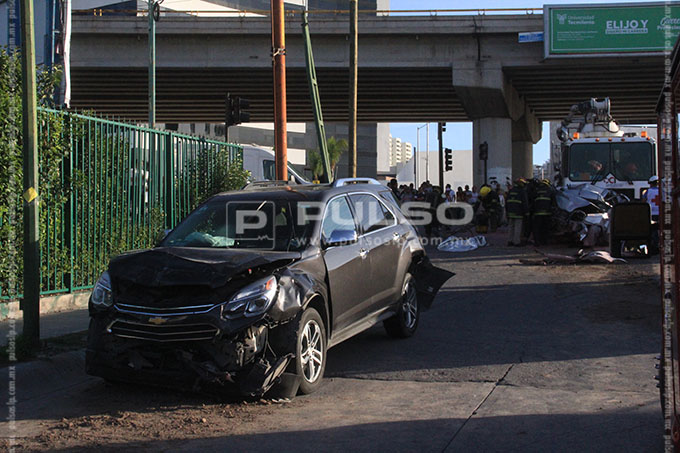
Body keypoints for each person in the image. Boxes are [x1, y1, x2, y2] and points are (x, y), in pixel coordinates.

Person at [532, 179, 555, 247]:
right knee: (545, 228)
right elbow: (553, 201)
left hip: (537, 213)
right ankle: (544, 241)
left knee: (537, 228)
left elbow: (532, 200)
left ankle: (537, 242)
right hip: (547, 213)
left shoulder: (536, 190)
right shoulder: (550, 190)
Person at [506, 178, 529, 246]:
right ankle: (516, 242)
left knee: (511, 226)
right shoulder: (522, 191)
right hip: (518, 212)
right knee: (517, 227)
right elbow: (525, 202)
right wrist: (526, 212)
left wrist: (507, 211)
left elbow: (507, 201)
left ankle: (510, 241)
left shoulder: (511, 190)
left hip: (510, 212)